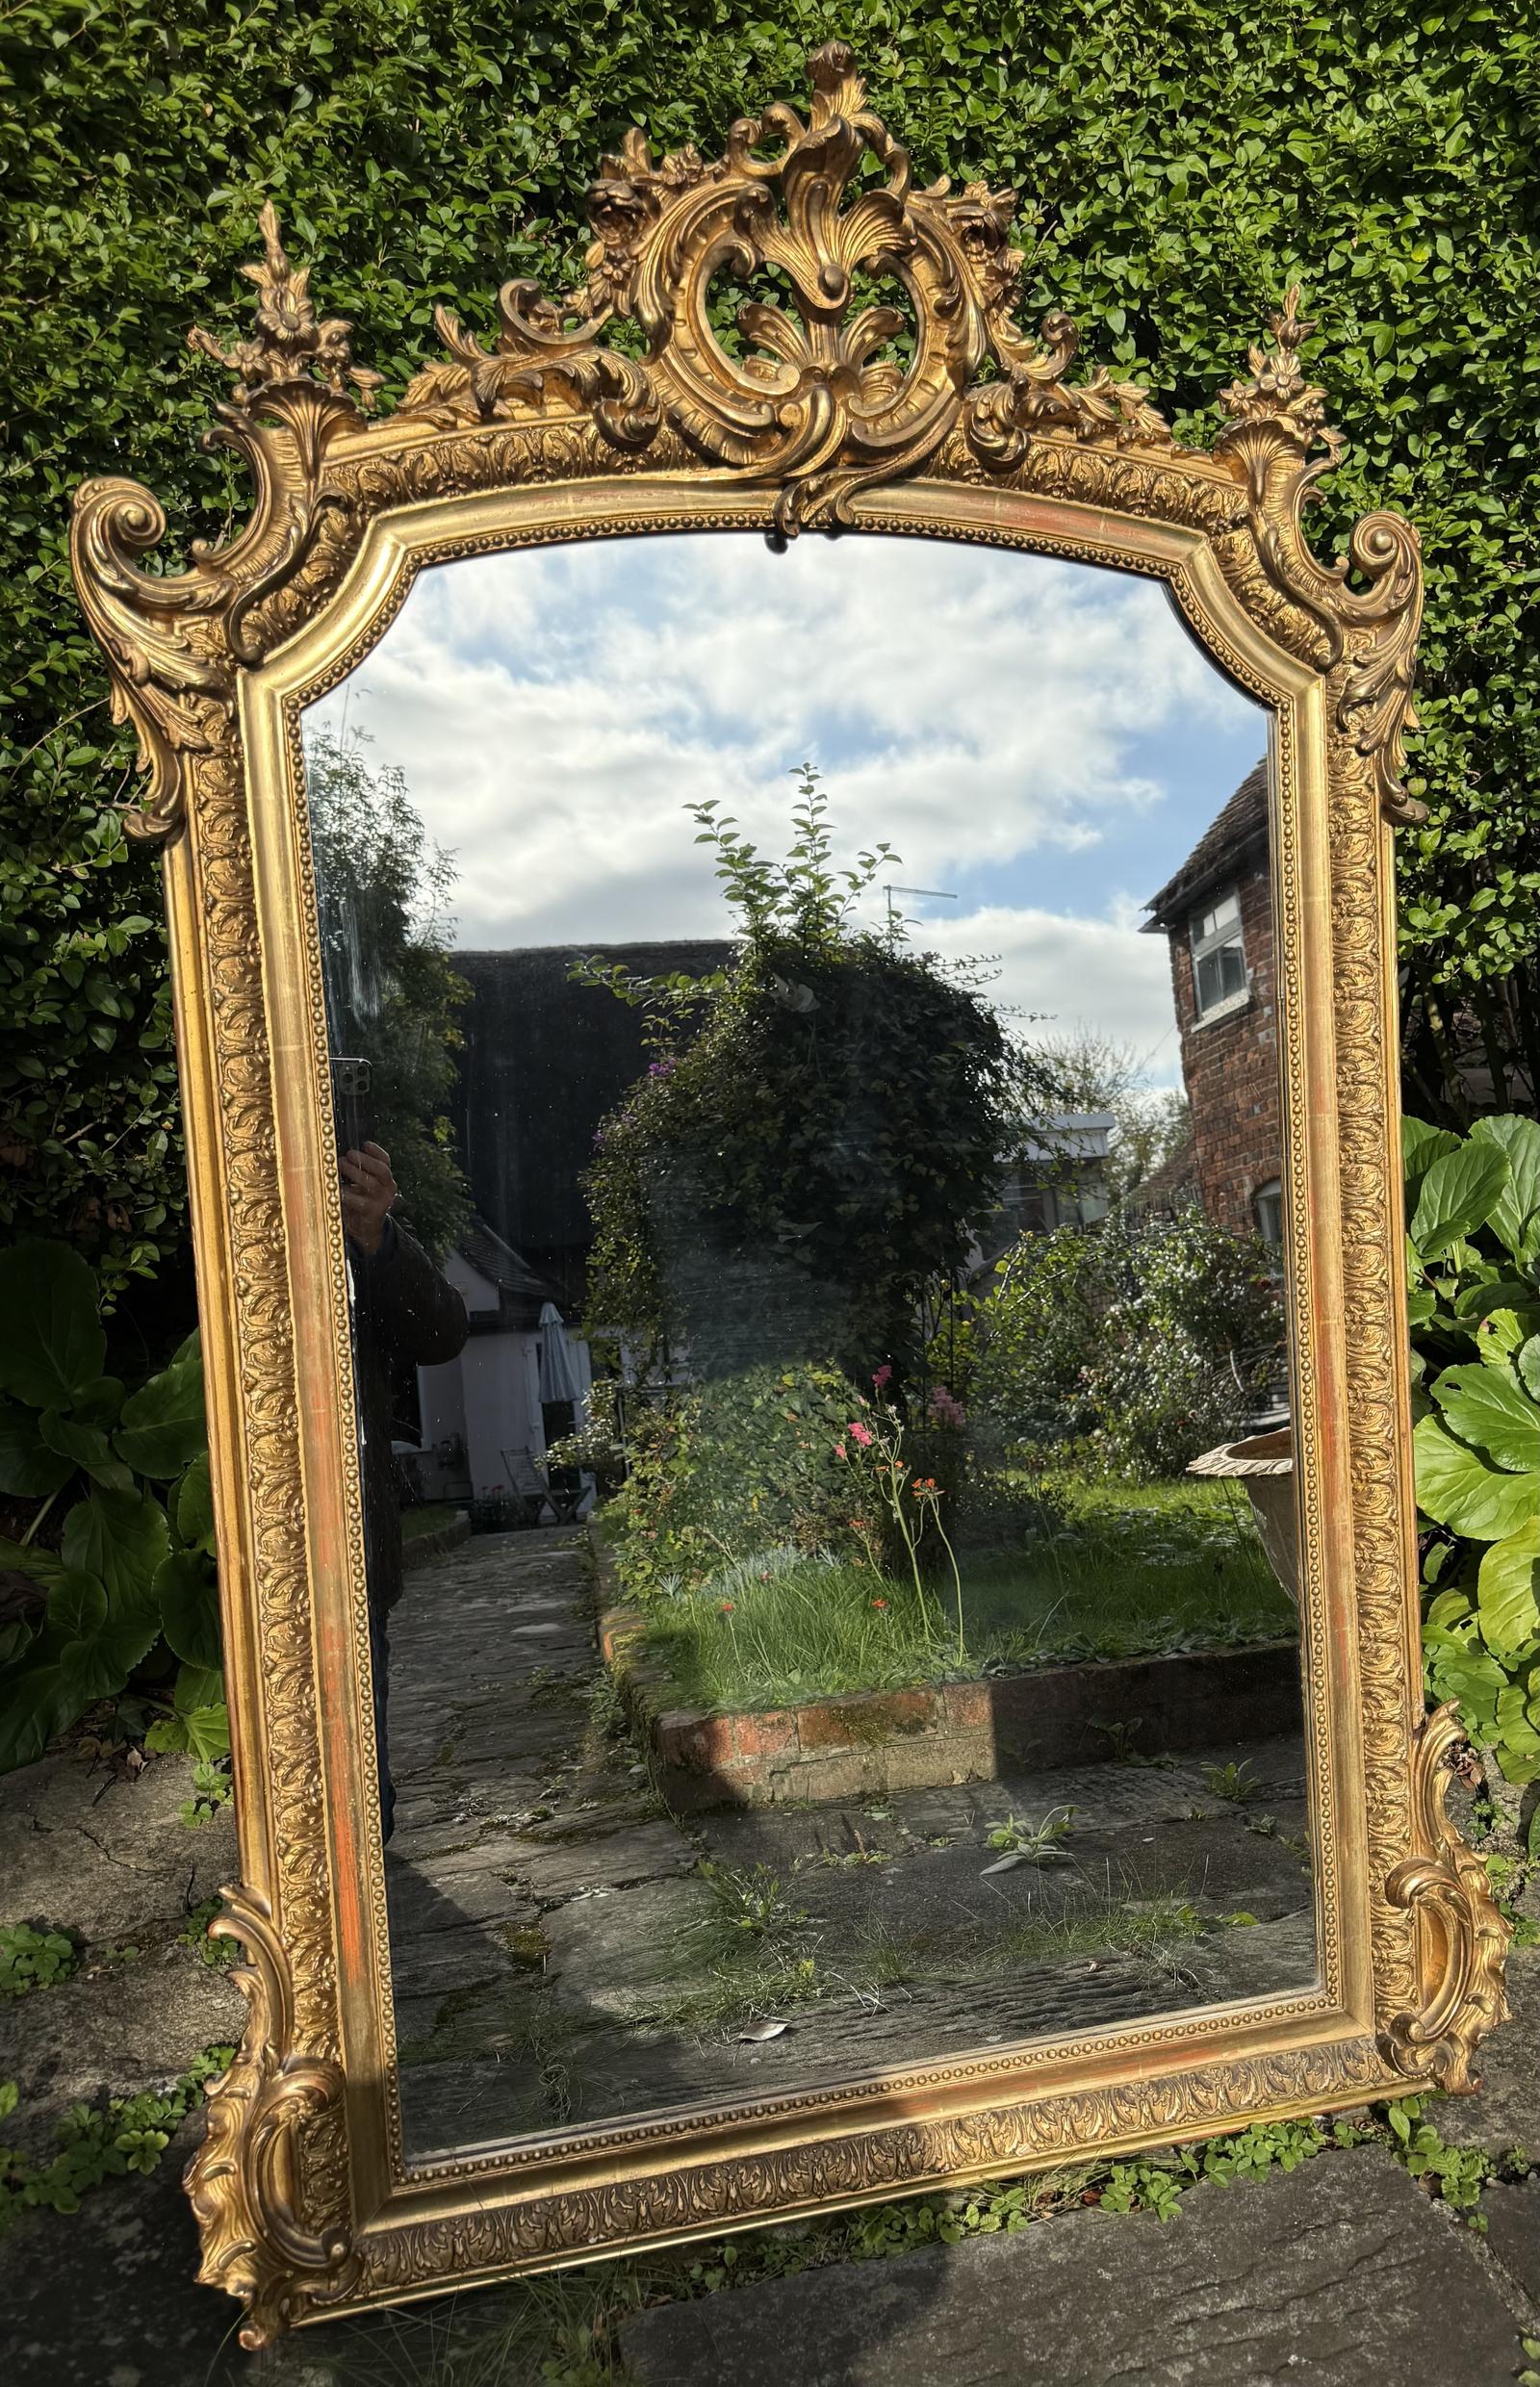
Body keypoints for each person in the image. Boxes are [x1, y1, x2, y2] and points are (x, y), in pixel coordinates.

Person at [341, 1141, 469, 1841]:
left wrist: (376, 1238)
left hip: (356, 1534)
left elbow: (442, 1332)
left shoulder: (359, 1221)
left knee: (366, 1813)